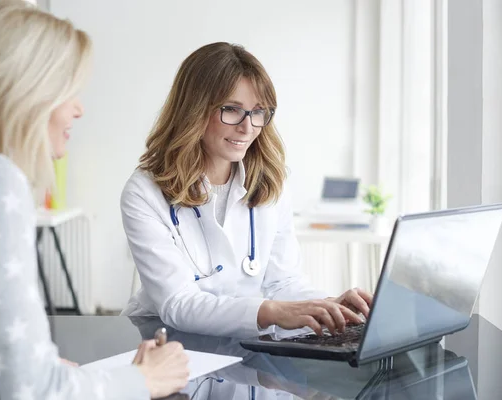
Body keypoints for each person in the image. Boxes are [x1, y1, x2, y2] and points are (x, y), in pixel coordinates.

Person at [0, 1, 188, 399]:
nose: (79, 109)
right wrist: (144, 381)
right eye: (70, 91)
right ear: (26, 90)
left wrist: (34, 366)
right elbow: (34, 391)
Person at [121, 42, 373, 339]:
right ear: (193, 109)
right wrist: (270, 312)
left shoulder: (271, 182)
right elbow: (178, 303)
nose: (248, 127)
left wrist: (325, 306)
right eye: (231, 110)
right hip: (168, 339)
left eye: (257, 112)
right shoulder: (145, 192)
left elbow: (283, 283)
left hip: (244, 340)